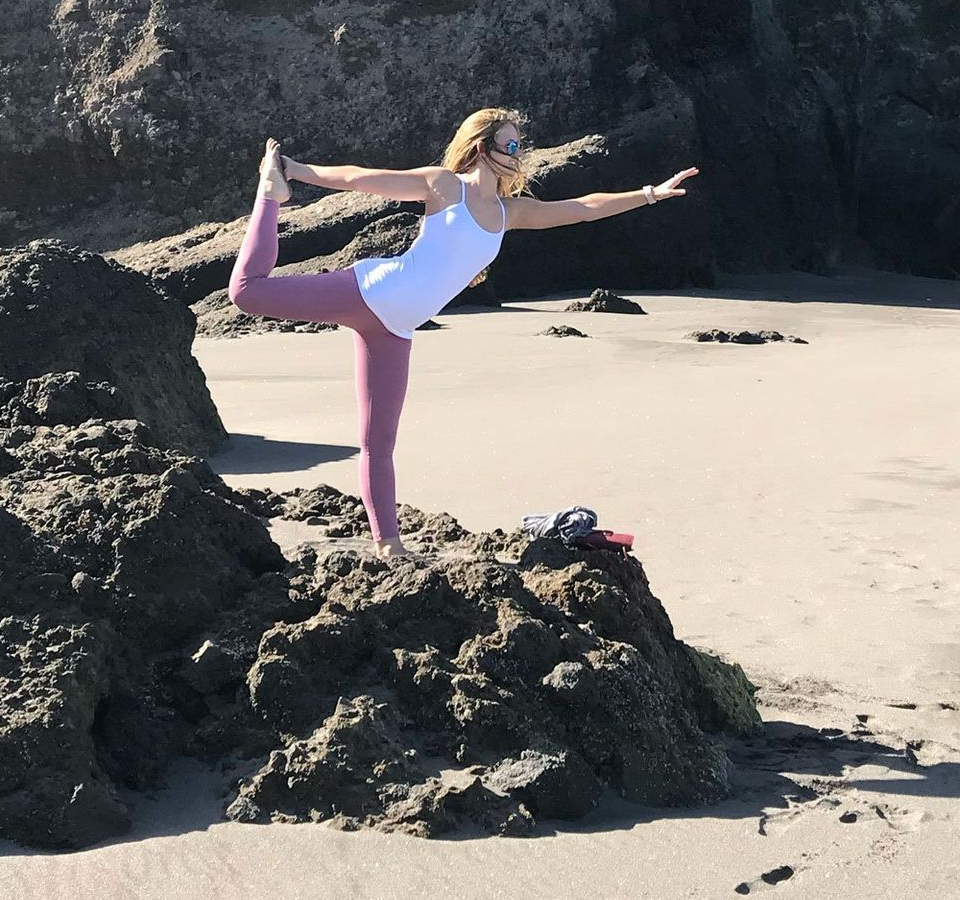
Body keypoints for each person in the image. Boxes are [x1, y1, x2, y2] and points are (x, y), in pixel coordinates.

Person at [226, 107, 700, 561]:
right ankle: (270, 196)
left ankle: (387, 543)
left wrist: (649, 194)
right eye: (509, 142)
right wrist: (292, 168)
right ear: (481, 145)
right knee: (247, 291)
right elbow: (358, 177)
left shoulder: (509, 212)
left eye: (520, 144)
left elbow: (580, 208)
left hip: (397, 329)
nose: (518, 151)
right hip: (369, 291)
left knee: (378, 443)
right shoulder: (443, 185)